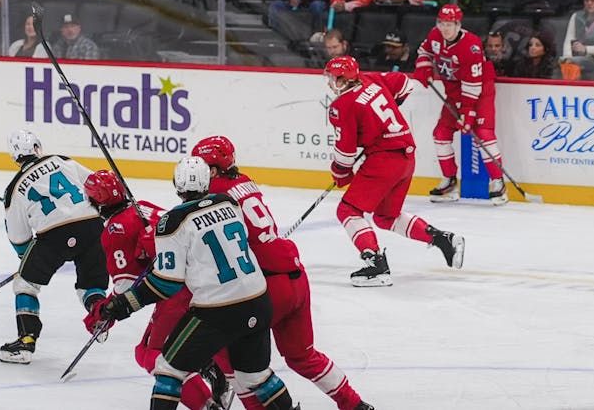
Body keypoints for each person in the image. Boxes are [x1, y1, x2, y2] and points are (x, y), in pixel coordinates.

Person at [96, 157, 298, 410]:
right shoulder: (230, 204)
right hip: (257, 300)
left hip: (217, 311)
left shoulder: (173, 222)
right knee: (255, 376)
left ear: (176, 185)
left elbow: (166, 283)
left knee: (167, 369)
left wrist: (125, 304)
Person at [192, 136, 374, 410]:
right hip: (295, 275)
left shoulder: (214, 196)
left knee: (232, 358)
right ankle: (355, 405)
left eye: (202, 167)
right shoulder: (243, 181)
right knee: (302, 356)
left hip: (267, 286)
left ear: (215, 170)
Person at [81, 170, 232, 410]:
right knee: (183, 342)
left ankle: (207, 402)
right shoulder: (143, 207)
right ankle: (211, 365)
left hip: (177, 291)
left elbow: (126, 288)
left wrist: (103, 315)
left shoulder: (114, 232)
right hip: (207, 280)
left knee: (151, 353)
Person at [324, 56, 465, 287]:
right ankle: (443, 239)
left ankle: (376, 264)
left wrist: (340, 174)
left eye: (332, 77)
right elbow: (404, 83)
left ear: (342, 79)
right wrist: (390, 105)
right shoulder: (371, 80)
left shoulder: (342, 106)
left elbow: (345, 153)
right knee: (385, 216)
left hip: (384, 159)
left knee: (347, 209)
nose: (330, 82)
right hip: (406, 157)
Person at [0, 129, 108, 364]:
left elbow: (19, 239)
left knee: (25, 283)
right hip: (92, 226)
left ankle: (26, 341)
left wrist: (27, 260)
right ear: (38, 147)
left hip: (53, 236)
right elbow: (98, 186)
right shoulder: (62, 161)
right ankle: (100, 314)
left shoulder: (14, 189)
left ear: (14, 157)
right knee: (91, 283)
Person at [412, 4, 505, 204]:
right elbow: (424, 51)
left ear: (458, 24)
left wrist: (468, 112)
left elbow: (473, 84)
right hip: (454, 91)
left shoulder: (470, 45)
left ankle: (498, 181)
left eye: (449, 24)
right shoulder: (435, 35)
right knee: (441, 134)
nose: (445, 28)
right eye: (442, 23)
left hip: (480, 90)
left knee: (483, 133)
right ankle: (449, 181)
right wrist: (424, 68)